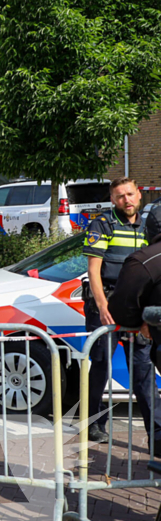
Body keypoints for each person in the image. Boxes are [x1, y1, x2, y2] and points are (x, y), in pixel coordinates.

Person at [82, 178, 161, 443]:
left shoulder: (149, 227)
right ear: (112, 200)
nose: (126, 200)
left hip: (137, 306)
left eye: (129, 194)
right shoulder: (102, 224)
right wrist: (103, 306)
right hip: (106, 305)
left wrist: (148, 315)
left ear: (139, 194)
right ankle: (94, 422)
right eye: (119, 196)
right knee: (101, 365)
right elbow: (94, 270)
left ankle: (157, 435)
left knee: (142, 369)